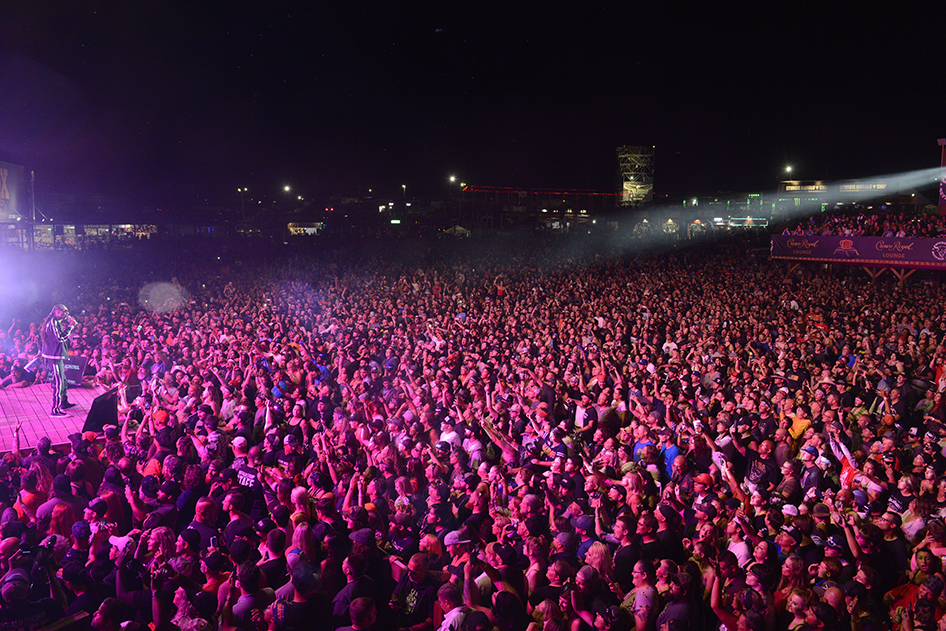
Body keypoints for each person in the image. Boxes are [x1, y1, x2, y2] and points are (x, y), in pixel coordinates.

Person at [41, 303, 77, 417]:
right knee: (59, 383)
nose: (66, 314)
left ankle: (63, 403)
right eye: (64, 311)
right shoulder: (53, 322)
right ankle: (55, 410)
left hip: (56, 355)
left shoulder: (54, 321)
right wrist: (71, 327)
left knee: (63, 381)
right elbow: (60, 338)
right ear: (57, 311)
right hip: (54, 357)